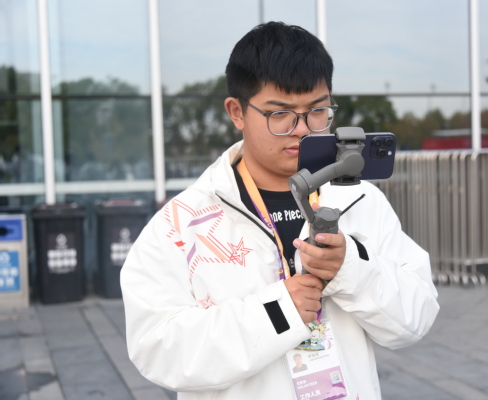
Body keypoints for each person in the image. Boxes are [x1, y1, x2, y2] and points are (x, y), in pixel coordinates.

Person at [121, 21, 439, 400]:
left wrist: (350, 267)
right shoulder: (182, 223)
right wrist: (278, 311)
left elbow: (417, 317)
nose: (302, 128)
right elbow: (156, 349)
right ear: (237, 112)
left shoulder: (361, 200)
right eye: (280, 114)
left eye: (318, 110)